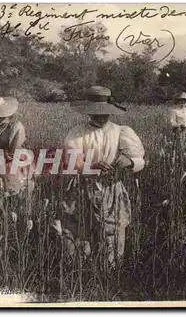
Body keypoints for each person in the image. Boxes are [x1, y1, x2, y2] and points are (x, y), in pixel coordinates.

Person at [63, 86, 145, 268]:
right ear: (88, 113)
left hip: (111, 187)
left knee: (112, 232)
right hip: (82, 187)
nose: (100, 117)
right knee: (79, 231)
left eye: (104, 114)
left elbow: (139, 160)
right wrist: (90, 166)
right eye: (95, 114)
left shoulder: (121, 132)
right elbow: (73, 163)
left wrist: (129, 162)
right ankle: (79, 273)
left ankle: (109, 273)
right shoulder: (77, 133)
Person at [0, 96, 35, 201]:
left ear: (9, 115)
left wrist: (9, 153)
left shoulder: (16, 126)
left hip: (13, 154)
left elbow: (17, 143)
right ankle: (2, 198)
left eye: (0, 117)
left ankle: (19, 197)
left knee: (13, 178)